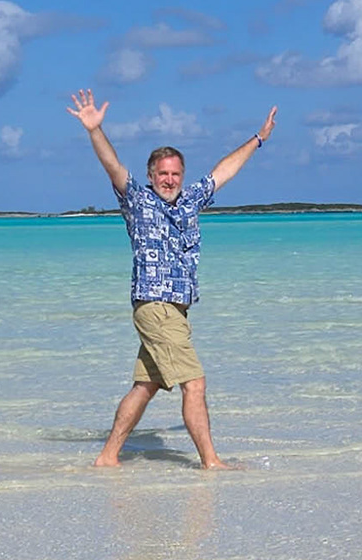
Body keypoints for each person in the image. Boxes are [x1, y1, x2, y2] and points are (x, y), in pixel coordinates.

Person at [67, 90, 278, 468]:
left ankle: (107, 457)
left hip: (175, 311)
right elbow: (113, 166)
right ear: (151, 176)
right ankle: (211, 462)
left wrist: (259, 139)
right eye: (162, 174)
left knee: (145, 386)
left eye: (175, 173)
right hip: (155, 305)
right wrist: (95, 131)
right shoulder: (137, 200)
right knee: (194, 384)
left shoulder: (190, 200)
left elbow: (222, 171)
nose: (169, 179)